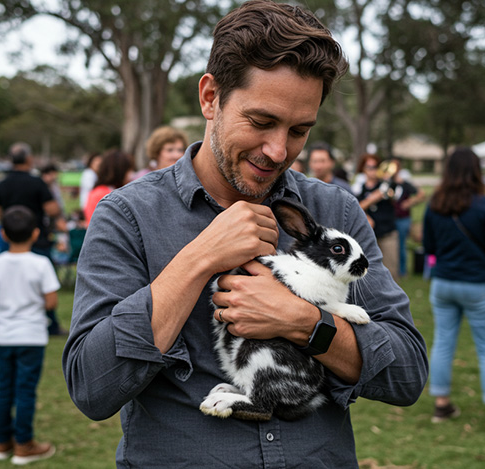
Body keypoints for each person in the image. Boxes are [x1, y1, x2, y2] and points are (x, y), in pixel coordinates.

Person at [63, 2, 428, 467]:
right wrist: (198, 260)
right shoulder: (128, 215)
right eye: (261, 122)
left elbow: (407, 373)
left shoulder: (335, 211)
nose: (278, 151)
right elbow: (92, 388)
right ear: (210, 97)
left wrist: (303, 322)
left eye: (299, 130)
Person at [422, 147, 485, 435]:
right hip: (478, 284)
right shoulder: (484, 205)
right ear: (477, 170)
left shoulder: (435, 203)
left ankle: (441, 405)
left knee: (443, 342)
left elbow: (429, 248)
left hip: (443, 283)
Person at [0, 206, 59, 464]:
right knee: (25, 391)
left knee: (5, 390)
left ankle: (2, 442)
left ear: (3, 234)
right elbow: (51, 302)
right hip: (32, 335)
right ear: (36, 233)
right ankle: (24, 444)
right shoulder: (41, 264)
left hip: (5, 335)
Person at [0, 142, 67, 336]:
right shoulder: (37, 182)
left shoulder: (3, 184)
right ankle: (50, 324)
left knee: (13, 283)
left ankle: (14, 318)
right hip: (36, 239)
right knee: (44, 284)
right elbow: (52, 209)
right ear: (28, 159)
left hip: (11, 240)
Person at [354, 153, 402, 283]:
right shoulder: (359, 188)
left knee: (391, 273)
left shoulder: (387, 185)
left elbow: (396, 196)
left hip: (387, 234)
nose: (372, 170)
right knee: (366, 275)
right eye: (369, 167)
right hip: (366, 237)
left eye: (375, 167)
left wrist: (389, 182)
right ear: (363, 168)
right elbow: (355, 207)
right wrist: (373, 198)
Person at [391, 159, 425, 277]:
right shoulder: (387, 183)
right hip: (390, 219)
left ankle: (402, 270)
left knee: (401, 245)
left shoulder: (405, 184)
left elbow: (421, 194)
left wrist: (409, 202)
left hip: (402, 219)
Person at [83, 149, 134, 226]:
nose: (131, 175)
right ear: (119, 171)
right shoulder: (103, 194)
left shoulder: (105, 191)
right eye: (128, 171)